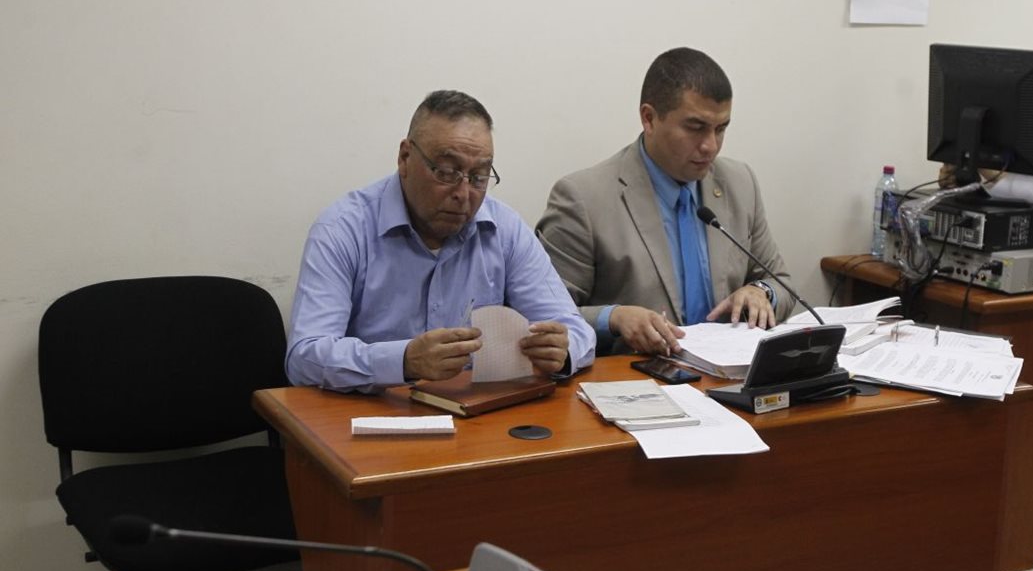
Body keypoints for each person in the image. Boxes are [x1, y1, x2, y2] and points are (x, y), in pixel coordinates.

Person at [286, 90, 596, 393]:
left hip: (477, 415)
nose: (463, 193)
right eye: (447, 172)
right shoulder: (343, 229)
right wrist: (403, 360)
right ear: (405, 157)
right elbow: (305, 357)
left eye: (479, 176)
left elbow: (577, 330)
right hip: (372, 418)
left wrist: (562, 351)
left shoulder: (505, 229)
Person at [536, 47, 795, 356]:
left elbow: (781, 283)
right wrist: (614, 318)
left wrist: (760, 292)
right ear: (649, 118)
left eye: (721, 129)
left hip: (728, 379)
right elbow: (544, 318)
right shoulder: (583, 198)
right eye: (695, 128)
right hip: (636, 386)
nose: (710, 146)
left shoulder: (740, 182)